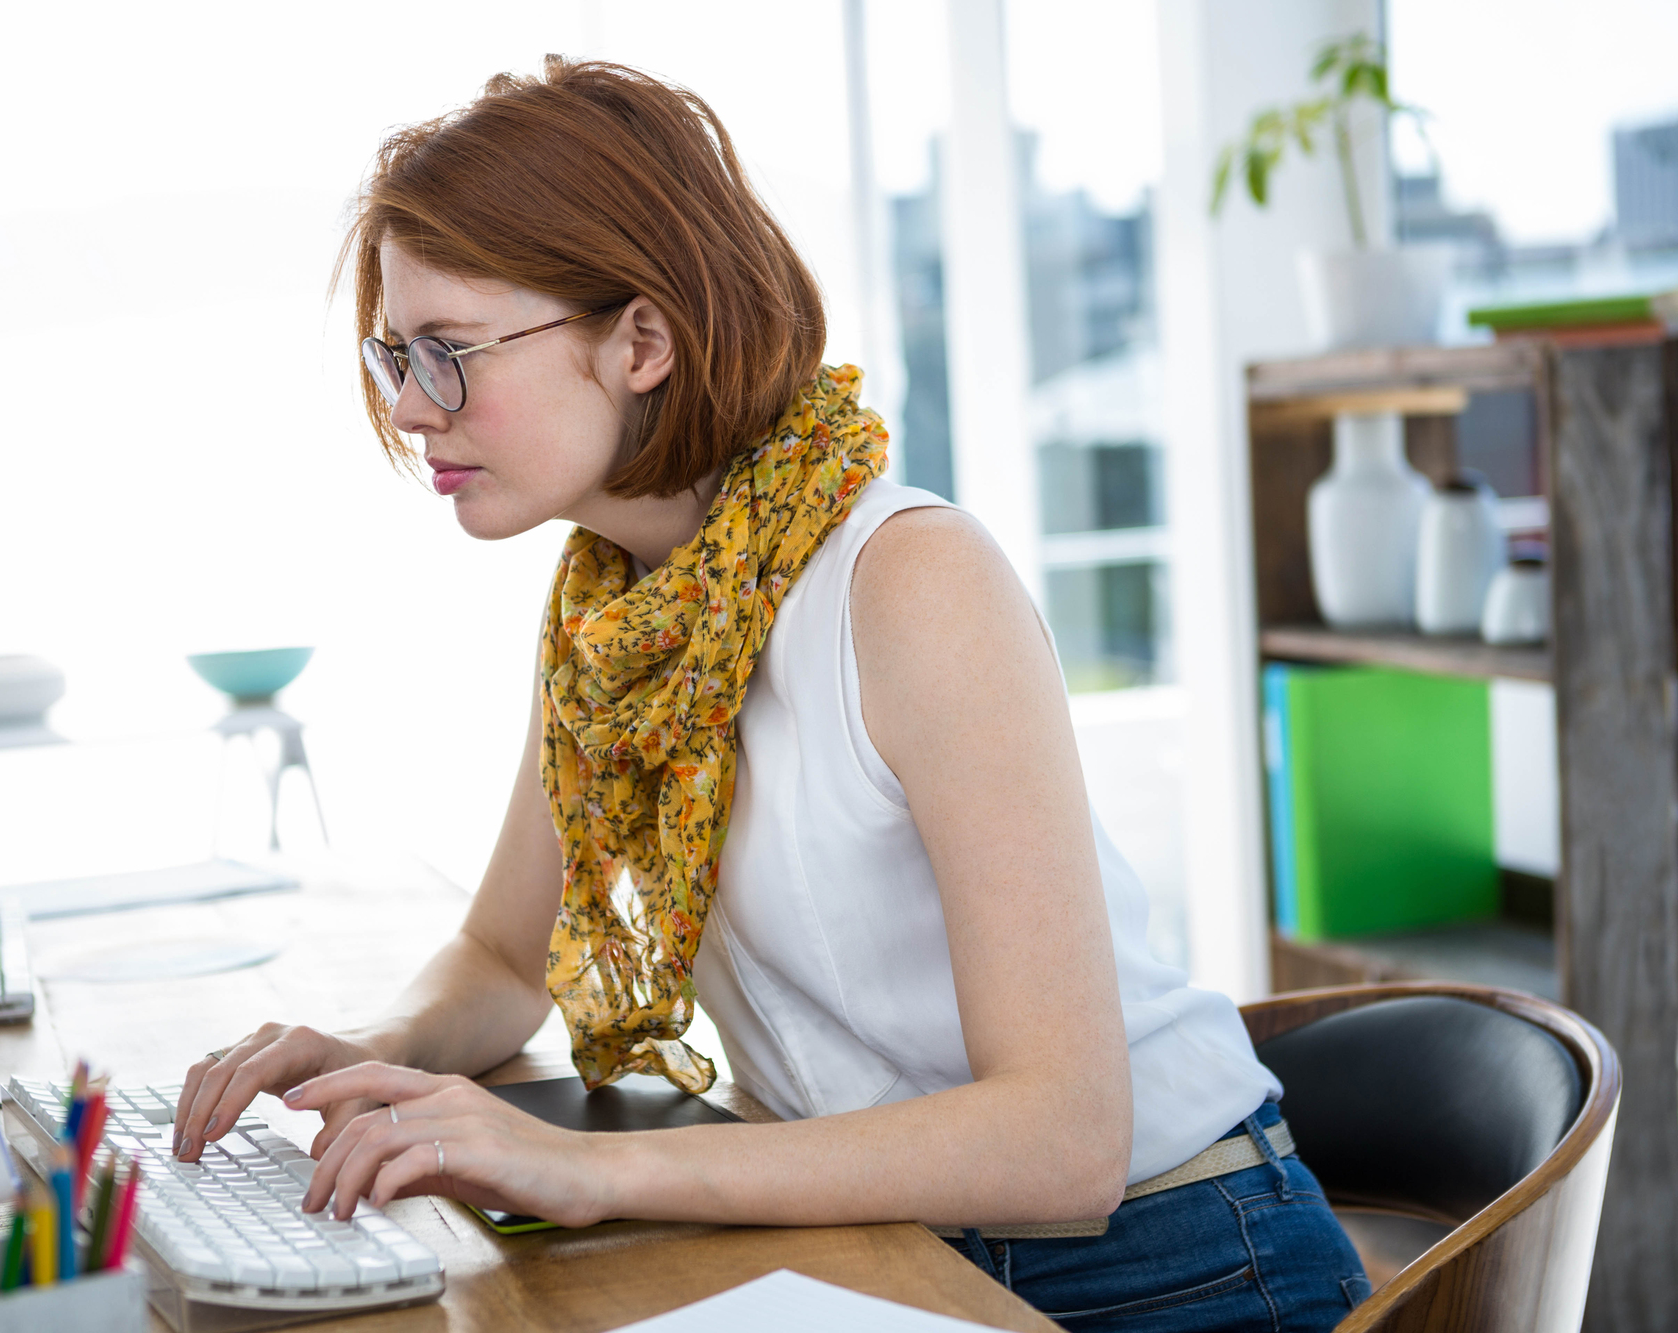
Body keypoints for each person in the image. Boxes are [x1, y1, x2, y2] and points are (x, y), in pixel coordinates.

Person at [172, 56, 1369, 1331]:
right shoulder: (608, 603)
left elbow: (1062, 1141)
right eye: (396, 355)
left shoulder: (909, 581)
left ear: (640, 340)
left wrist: (589, 1169)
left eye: (449, 352)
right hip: (887, 1235)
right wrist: (371, 1049)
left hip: (1167, 1255)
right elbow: (498, 959)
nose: (411, 408)